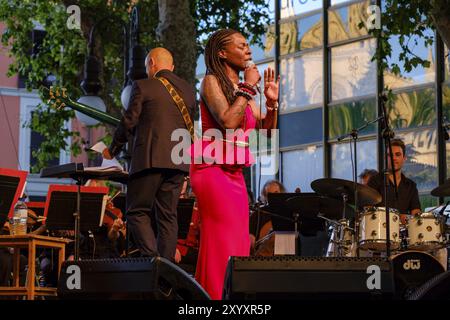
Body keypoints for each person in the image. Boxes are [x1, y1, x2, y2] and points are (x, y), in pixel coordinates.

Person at [190, 29, 279, 299]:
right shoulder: (210, 82)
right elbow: (228, 121)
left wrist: (272, 104)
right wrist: (250, 87)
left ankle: (214, 297)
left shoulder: (243, 92)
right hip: (211, 171)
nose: (248, 50)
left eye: (248, 44)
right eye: (241, 45)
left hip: (235, 174)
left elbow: (265, 132)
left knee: (238, 242)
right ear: (222, 53)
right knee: (222, 244)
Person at [103, 48, 196, 260]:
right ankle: (165, 271)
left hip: (149, 159)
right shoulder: (189, 91)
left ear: (152, 63)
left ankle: (152, 260)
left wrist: (113, 148)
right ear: (171, 67)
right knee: (168, 217)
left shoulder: (144, 85)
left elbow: (129, 121)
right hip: (178, 161)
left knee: (137, 211)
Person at [367, 138, 421, 224]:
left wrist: (409, 218)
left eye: (398, 154)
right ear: (386, 158)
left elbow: (416, 212)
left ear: (404, 158)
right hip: (380, 231)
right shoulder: (375, 181)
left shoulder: (411, 186)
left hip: (403, 234)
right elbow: (367, 209)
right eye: (390, 155)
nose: (394, 158)